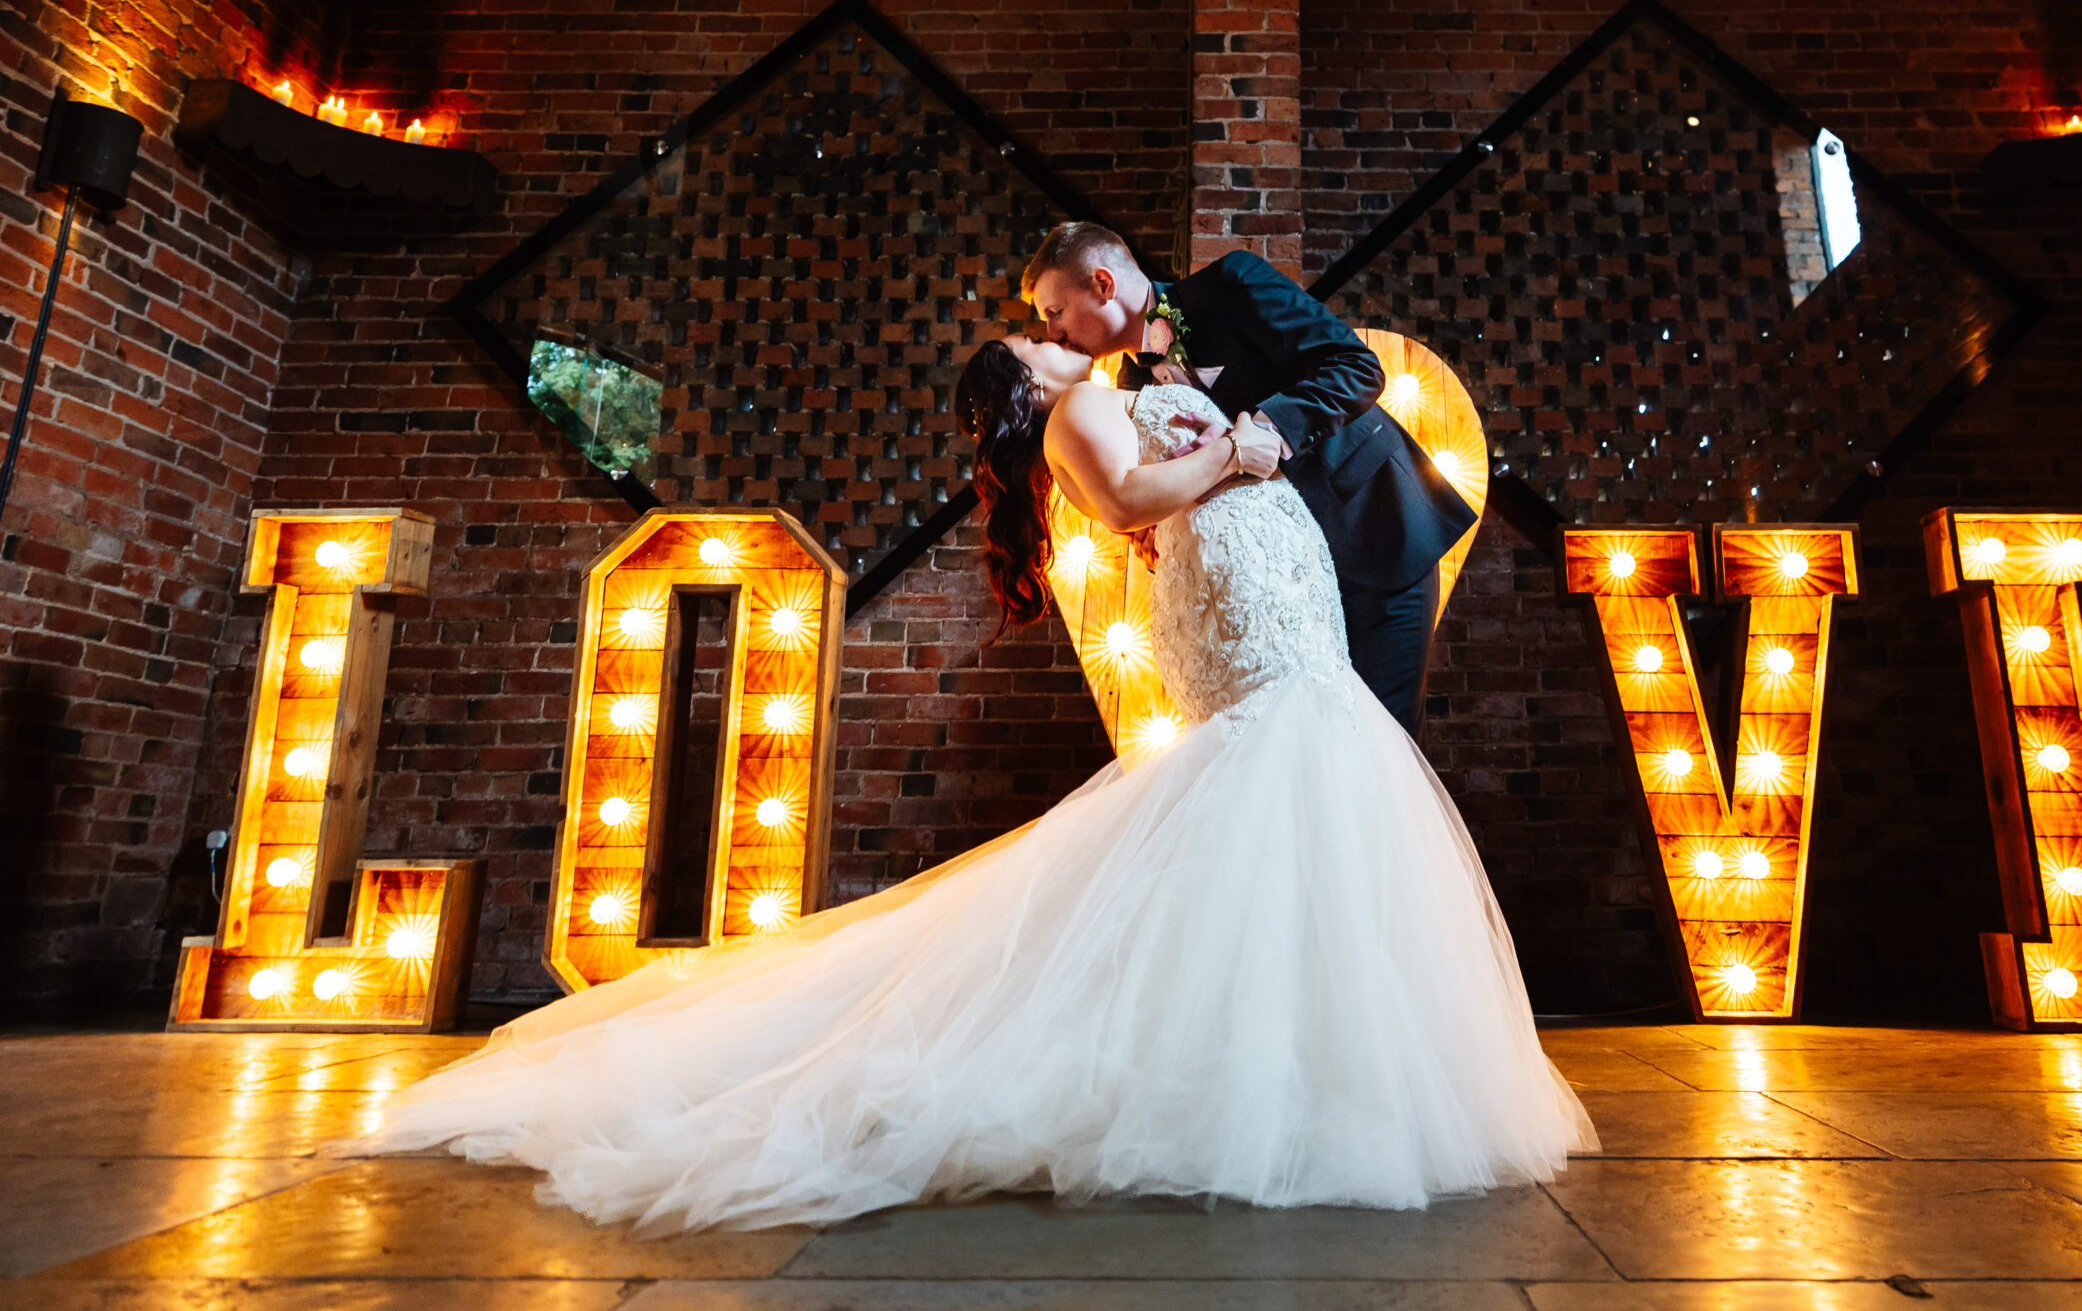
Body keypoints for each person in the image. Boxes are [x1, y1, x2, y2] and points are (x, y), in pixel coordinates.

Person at [356, 329, 1595, 1235]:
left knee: (1297, 816)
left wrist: (1224, 422)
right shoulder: (1075, 417)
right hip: (1244, 617)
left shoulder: (1134, 380)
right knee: (1269, 793)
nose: (1060, 341)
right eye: (1037, 341)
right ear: (1026, 382)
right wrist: (1236, 452)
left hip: (1284, 600)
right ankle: (1276, 1081)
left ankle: (1326, 1061)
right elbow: (1133, 501)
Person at [1021, 224, 1477, 737]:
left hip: (1374, 534)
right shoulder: (1129, 391)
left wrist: (1264, 428)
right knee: (1317, 750)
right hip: (1281, 591)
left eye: (1054, 312)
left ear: (1103, 284)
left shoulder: (1231, 283)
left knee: (1383, 746)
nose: (1053, 333)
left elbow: (1357, 367)